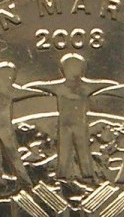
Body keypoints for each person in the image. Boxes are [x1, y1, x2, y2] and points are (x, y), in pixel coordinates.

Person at [24, 54, 116, 182]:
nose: (73, 70)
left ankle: (87, 174)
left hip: (80, 125)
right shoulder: (60, 87)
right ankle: (62, 174)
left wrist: (112, 86)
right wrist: (30, 88)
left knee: (82, 150)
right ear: (64, 70)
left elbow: (104, 85)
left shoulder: (85, 87)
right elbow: (41, 86)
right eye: (70, 67)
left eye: (76, 67)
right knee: (64, 150)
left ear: (81, 69)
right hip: (65, 125)